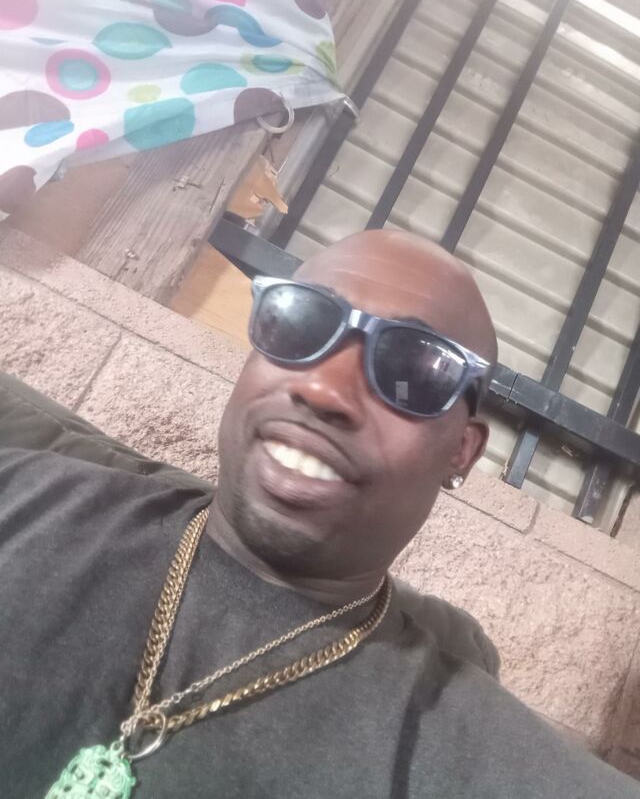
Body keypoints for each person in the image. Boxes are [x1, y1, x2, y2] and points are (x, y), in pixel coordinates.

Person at [0, 229, 637, 798]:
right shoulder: (24, 495)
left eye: (413, 370)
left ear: (461, 452)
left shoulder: (468, 751)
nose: (323, 388)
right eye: (301, 324)